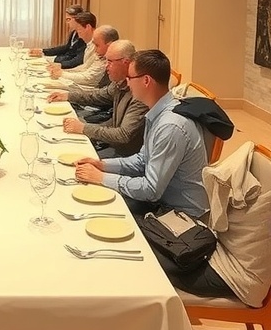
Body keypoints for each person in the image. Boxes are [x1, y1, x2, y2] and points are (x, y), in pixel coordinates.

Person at [73, 49, 210, 219]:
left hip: (181, 216)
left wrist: (102, 178)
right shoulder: (158, 113)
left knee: (97, 212)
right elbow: (142, 160)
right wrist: (102, 165)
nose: (127, 83)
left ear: (146, 81)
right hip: (160, 202)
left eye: (130, 77)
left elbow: (150, 190)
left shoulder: (170, 126)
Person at [60, 40, 147, 157]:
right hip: (112, 144)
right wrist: (68, 95)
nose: (106, 66)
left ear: (126, 62)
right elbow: (98, 96)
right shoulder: (119, 83)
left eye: (110, 62)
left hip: (124, 155)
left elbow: (123, 135)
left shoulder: (139, 94)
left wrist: (85, 128)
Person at [45, 22, 119, 92]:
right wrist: (63, 72)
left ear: (109, 45)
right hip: (87, 89)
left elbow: (89, 79)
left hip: (92, 92)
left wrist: (62, 74)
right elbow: (84, 67)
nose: (95, 49)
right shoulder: (100, 54)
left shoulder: (112, 61)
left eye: (97, 45)